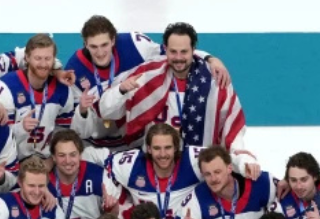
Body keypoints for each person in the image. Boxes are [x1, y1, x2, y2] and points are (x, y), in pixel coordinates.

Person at [66, 15, 229, 151]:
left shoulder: (134, 44)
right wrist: (83, 110)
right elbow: (77, 127)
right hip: (97, 143)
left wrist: (210, 58)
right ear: (85, 44)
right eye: (93, 47)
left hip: (133, 140)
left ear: (113, 40)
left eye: (104, 45)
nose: (100, 53)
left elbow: (174, 52)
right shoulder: (74, 70)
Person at [102, 23, 248, 152]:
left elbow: (232, 127)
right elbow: (105, 109)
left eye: (184, 52)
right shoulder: (147, 74)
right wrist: (121, 90)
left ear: (193, 50)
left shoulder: (214, 80)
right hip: (155, 164)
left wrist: (241, 159)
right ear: (165, 49)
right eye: (173, 52)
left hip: (199, 167)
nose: (178, 57)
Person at [104, 124, 258, 219]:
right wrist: (121, 202)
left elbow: (222, 160)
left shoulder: (191, 159)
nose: (163, 154)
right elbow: (104, 164)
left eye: (168, 148)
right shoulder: (131, 164)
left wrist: (246, 164)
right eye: (157, 148)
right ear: (148, 149)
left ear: (177, 147)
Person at [0, 34, 94, 162]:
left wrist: (82, 111)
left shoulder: (62, 89)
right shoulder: (7, 87)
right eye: (38, 58)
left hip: (45, 161)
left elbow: (67, 134)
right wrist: (21, 128)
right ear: (27, 58)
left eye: (47, 58)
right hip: (13, 162)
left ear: (54, 60)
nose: (43, 64)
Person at [176, 145, 277, 219]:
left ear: (229, 168)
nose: (213, 179)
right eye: (207, 174)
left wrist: (285, 183)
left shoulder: (261, 183)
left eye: (217, 172)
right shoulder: (197, 198)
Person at [45, 130, 107, 219]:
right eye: (62, 155)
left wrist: (112, 208)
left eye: (73, 154)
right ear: (53, 158)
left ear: (80, 155)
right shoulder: (42, 183)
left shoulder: (98, 176)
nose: (68, 161)